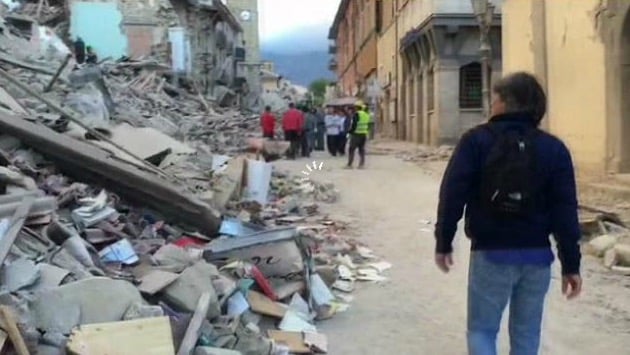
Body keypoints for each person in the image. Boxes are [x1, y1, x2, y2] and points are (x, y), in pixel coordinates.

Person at [434, 72, 582, 355]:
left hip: (491, 253)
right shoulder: (554, 148)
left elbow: (453, 194)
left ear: (505, 103)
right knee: (526, 334)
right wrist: (571, 265)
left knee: (482, 330)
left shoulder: (476, 141)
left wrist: (444, 241)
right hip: (537, 257)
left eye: (495, 98)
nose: (492, 104)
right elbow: (565, 210)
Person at [345, 101, 370, 169]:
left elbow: (354, 125)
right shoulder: (366, 114)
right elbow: (368, 125)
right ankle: (361, 164)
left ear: (356, 107)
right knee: (361, 150)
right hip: (363, 134)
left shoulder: (357, 114)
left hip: (356, 134)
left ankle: (349, 164)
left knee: (351, 149)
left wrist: (349, 132)